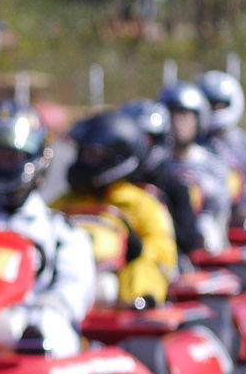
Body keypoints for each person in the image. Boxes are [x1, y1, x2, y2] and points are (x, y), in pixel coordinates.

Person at [0, 101, 95, 356]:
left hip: (29, 334)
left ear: (36, 159)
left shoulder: (61, 232)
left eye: (10, 158)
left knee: (48, 330)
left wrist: (43, 311)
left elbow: (74, 290)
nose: (1, 167)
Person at [54, 109, 176, 306]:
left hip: (121, 302)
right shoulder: (65, 203)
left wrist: (137, 249)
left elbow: (164, 257)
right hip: (68, 291)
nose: (83, 162)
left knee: (111, 285)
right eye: (82, 153)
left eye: (92, 154)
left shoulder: (143, 205)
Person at [118, 99, 206, 256]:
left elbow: (188, 242)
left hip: (164, 262)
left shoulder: (173, 187)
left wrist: (154, 224)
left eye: (142, 140)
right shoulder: (115, 184)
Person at [158, 80, 235, 251]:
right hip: (166, 232)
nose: (177, 122)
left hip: (205, 236)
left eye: (184, 115)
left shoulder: (213, 163)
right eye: (172, 114)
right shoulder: (157, 164)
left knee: (205, 227)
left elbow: (221, 205)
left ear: (198, 119)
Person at [197, 69, 246, 213]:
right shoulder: (197, 144)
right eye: (211, 104)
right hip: (205, 215)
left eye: (220, 104)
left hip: (242, 219)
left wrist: (239, 190)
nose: (215, 109)